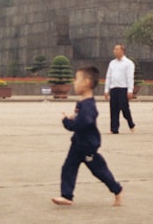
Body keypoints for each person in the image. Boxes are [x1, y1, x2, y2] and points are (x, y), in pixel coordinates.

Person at [52, 65, 123, 207]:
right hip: (77, 144)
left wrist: (67, 121)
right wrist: (73, 117)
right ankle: (66, 196)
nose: (74, 82)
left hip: (87, 146)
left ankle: (117, 189)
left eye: (77, 79)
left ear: (86, 82)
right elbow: (80, 118)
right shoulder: (83, 102)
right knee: (68, 168)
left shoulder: (89, 105)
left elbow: (83, 122)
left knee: (99, 170)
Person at [104, 44, 135, 134]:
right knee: (113, 109)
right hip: (114, 88)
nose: (115, 51)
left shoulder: (128, 63)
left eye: (117, 49)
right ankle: (114, 128)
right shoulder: (112, 63)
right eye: (114, 49)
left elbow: (130, 77)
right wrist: (106, 90)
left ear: (122, 51)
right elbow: (108, 76)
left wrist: (130, 90)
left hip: (123, 89)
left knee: (124, 108)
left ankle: (131, 123)